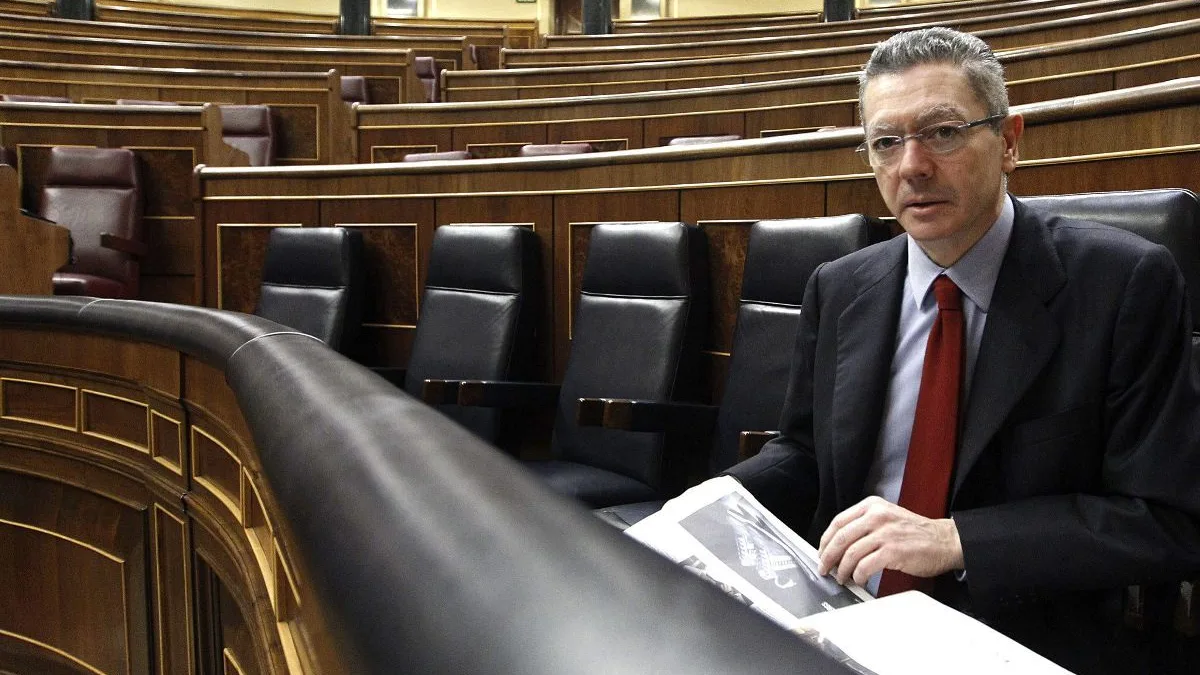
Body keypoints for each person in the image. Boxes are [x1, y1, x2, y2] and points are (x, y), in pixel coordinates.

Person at [724, 26, 1200, 673]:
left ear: (1009, 142)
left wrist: (954, 539)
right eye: (886, 142)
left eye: (942, 132)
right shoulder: (839, 287)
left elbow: (1164, 519)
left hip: (1019, 634)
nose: (911, 165)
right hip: (843, 616)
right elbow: (805, 452)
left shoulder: (1124, 285)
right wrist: (704, 506)